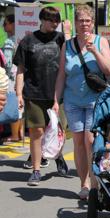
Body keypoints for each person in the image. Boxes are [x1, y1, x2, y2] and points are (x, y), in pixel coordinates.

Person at [53, 4, 110, 199]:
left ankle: (95, 181)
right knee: (78, 142)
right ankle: (84, 183)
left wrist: (94, 51)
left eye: (88, 21)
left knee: (90, 140)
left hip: (94, 100)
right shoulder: (67, 45)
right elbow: (62, 74)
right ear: (76, 23)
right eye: (81, 20)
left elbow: (109, 70)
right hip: (72, 100)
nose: (84, 24)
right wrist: (56, 100)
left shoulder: (101, 41)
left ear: (92, 23)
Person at [13, 7, 69, 186]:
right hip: (34, 92)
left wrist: (67, 33)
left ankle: (58, 156)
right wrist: (19, 93)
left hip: (57, 94)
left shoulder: (61, 39)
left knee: (57, 132)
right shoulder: (28, 41)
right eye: (51, 20)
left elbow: (71, 58)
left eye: (56, 21)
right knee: (36, 132)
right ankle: (36, 170)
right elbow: (21, 69)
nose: (54, 24)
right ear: (42, 19)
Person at [2, 14, 24, 142]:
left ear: (12, 24)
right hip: (22, 74)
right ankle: (20, 132)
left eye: (5, 23)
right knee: (20, 105)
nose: (4, 26)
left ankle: (15, 135)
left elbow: (7, 63)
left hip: (12, 76)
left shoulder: (9, 41)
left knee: (12, 104)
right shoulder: (23, 38)